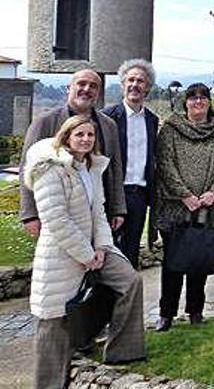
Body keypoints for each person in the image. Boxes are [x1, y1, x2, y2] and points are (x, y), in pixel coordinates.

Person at [26, 116, 145, 388]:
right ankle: (48, 384)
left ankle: (122, 352)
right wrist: (86, 254)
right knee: (54, 319)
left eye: (90, 135)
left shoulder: (90, 167)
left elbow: (99, 212)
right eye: (79, 134)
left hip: (96, 248)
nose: (86, 139)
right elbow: (56, 219)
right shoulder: (50, 169)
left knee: (130, 281)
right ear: (66, 136)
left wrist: (102, 247)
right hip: (62, 253)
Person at [154, 83, 214, 330]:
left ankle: (195, 310)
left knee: (199, 259)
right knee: (173, 262)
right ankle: (166, 313)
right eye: (193, 98)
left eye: (203, 98)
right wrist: (184, 195)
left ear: (209, 102)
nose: (198, 102)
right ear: (185, 102)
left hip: (208, 207)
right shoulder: (170, 129)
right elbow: (165, 163)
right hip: (176, 207)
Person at [20, 69, 126, 240]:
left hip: (98, 214)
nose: (87, 89)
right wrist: (30, 215)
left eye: (93, 86)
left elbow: (115, 168)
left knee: (97, 262)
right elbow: (27, 168)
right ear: (69, 88)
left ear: (98, 92)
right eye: (81, 83)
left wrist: (118, 208)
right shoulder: (45, 122)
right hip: (59, 214)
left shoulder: (108, 125)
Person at [102, 59, 160, 269]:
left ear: (147, 88)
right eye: (131, 80)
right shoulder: (107, 118)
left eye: (141, 81)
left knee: (131, 251)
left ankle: (127, 300)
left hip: (139, 196)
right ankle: (105, 300)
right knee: (108, 251)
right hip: (112, 195)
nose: (135, 85)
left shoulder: (152, 120)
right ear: (123, 84)